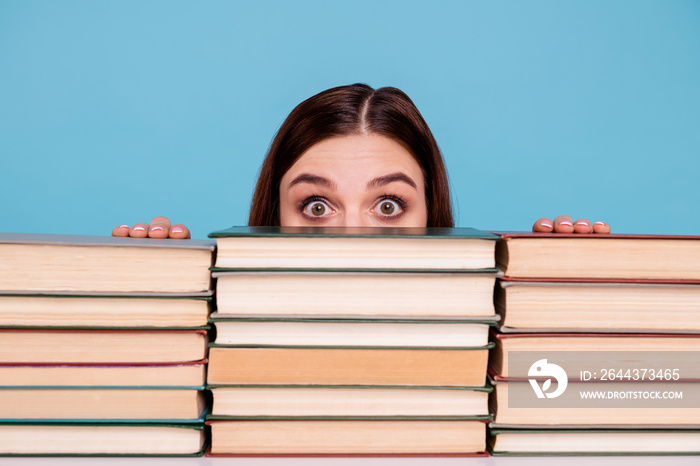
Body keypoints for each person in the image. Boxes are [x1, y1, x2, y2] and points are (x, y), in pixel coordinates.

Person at [111, 84, 610, 238]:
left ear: (432, 218)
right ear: (273, 220)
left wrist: (567, 304)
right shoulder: (217, 349)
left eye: (389, 205)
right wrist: (153, 306)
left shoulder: (488, 352)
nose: (352, 238)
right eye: (316, 206)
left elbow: (600, 393)